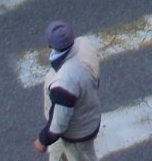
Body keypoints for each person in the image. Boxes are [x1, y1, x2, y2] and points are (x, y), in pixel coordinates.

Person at [33, 20, 101, 160]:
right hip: (86, 116)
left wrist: (43, 140)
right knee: (58, 155)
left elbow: (59, 121)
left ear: (49, 44)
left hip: (76, 134)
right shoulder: (85, 44)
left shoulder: (64, 82)